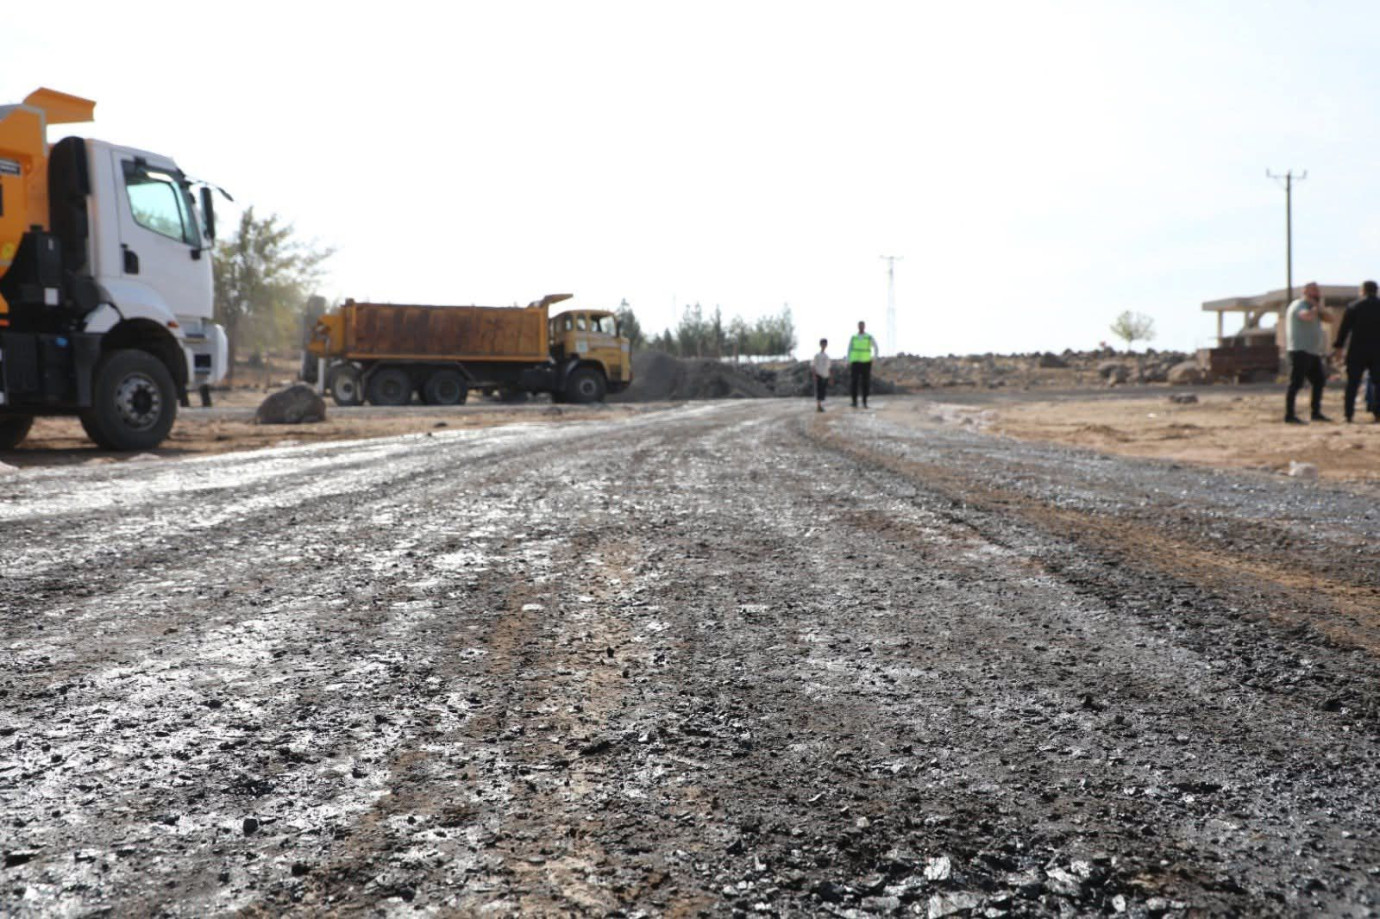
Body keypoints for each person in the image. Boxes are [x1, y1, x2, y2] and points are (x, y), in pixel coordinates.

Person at [1332, 279, 1380, 423]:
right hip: (1377, 350)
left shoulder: (1354, 306)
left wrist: (1339, 347)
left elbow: (1344, 329)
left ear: (1363, 291)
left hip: (1357, 350)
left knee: (1352, 383)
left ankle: (1349, 414)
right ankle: (1377, 413)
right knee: (1378, 383)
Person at [1284, 282, 1331, 424]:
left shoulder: (1315, 308)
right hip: (1299, 350)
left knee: (1319, 381)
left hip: (1312, 352)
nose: (1316, 295)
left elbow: (1330, 319)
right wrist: (1314, 307)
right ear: (1305, 293)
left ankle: (1315, 413)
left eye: (1317, 292)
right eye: (1313, 292)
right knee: (1296, 383)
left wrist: (1319, 307)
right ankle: (1289, 415)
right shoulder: (1299, 305)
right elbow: (1306, 317)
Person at [848, 321, 878, 408]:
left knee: (865, 382)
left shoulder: (868, 337)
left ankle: (864, 402)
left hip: (866, 362)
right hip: (855, 362)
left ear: (864, 326)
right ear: (858, 326)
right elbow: (849, 348)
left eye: (862, 326)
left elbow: (875, 347)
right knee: (854, 382)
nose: (861, 327)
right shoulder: (854, 337)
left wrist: (874, 358)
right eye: (859, 326)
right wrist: (848, 359)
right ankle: (854, 402)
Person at [812, 338, 831, 412]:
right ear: (820, 345)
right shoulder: (817, 355)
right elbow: (813, 365)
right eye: (822, 344)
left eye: (825, 344)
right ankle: (818, 406)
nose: (824, 345)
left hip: (825, 375)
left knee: (823, 391)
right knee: (819, 391)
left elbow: (828, 367)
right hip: (818, 374)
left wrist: (830, 376)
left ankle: (820, 406)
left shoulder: (827, 356)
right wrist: (814, 375)